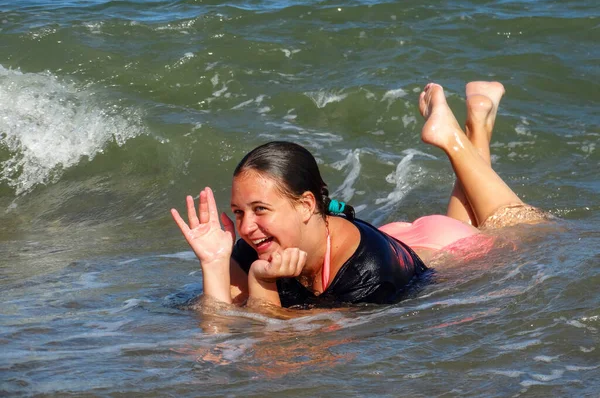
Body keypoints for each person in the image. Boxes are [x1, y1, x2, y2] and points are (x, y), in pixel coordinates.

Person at [171, 81, 548, 309]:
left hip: (447, 249)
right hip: (398, 237)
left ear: (305, 205)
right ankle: (477, 121)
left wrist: (262, 283)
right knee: (483, 215)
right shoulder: (257, 244)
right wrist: (214, 262)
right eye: (238, 212)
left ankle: (453, 138)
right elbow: (217, 334)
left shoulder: (367, 280)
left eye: (260, 209)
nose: (247, 227)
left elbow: (274, 354)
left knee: (526, 230)